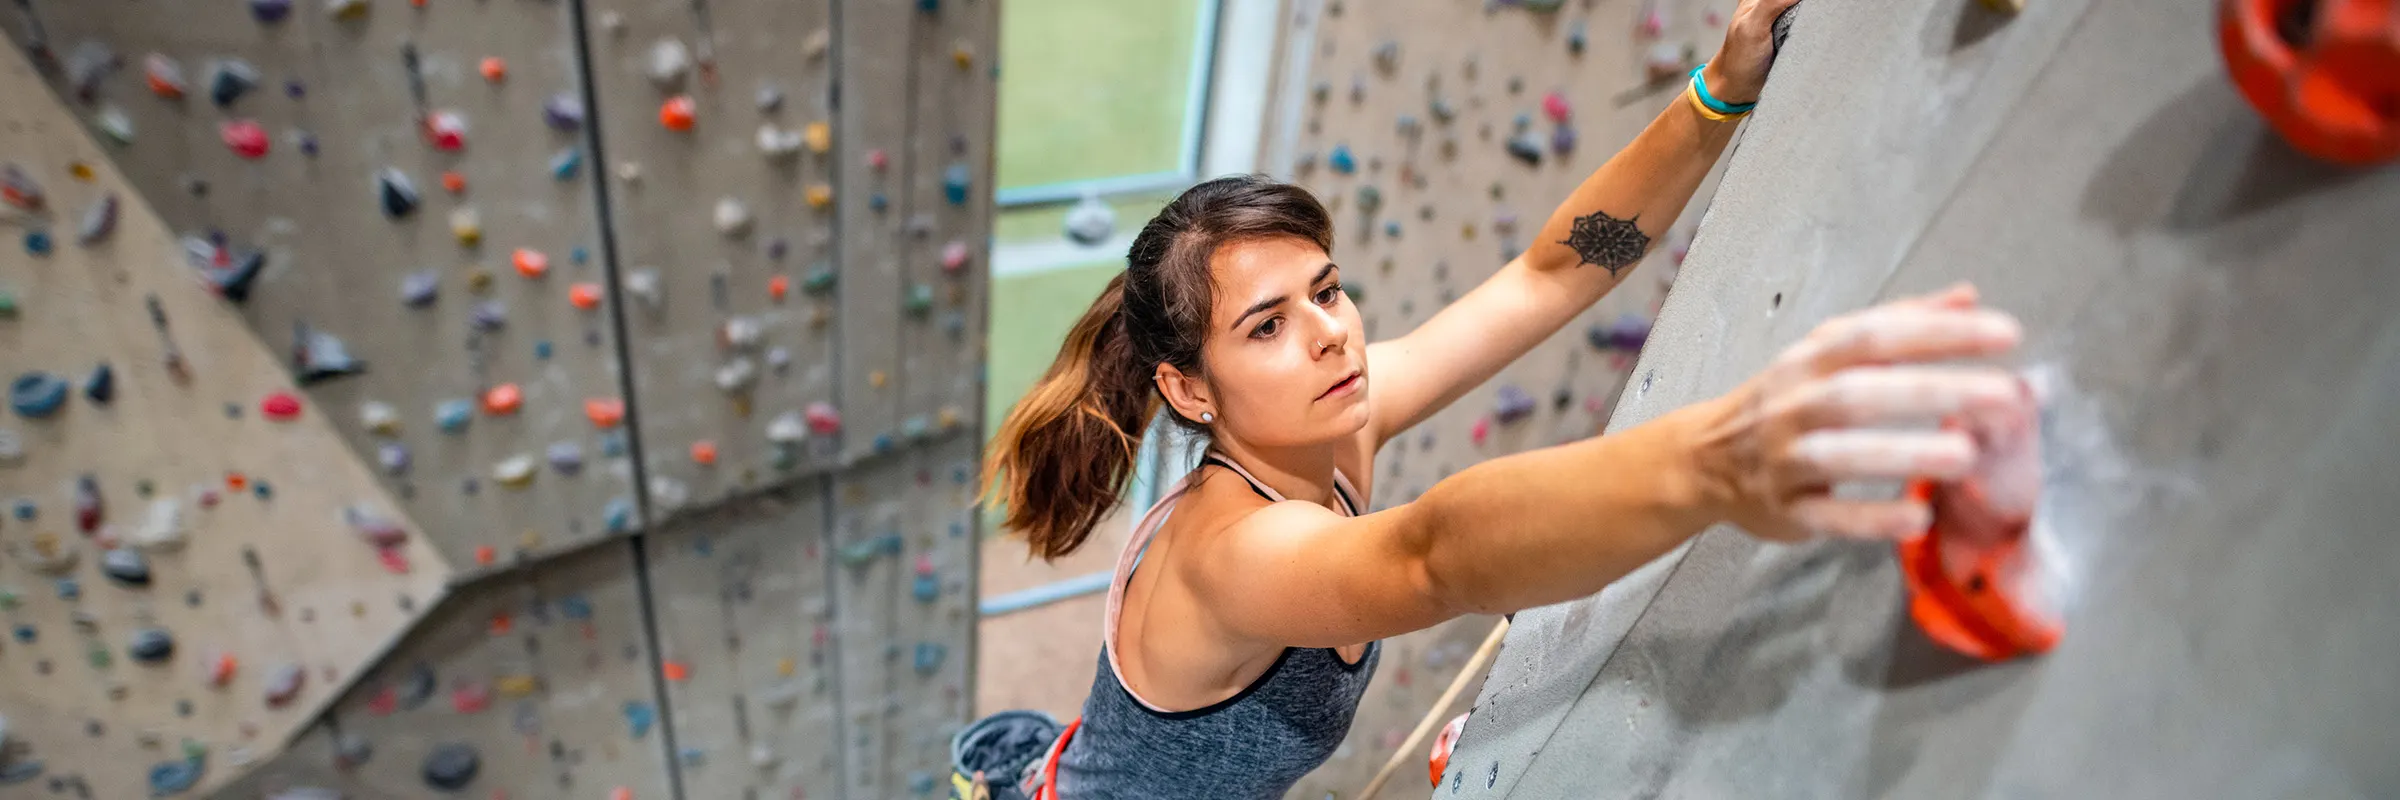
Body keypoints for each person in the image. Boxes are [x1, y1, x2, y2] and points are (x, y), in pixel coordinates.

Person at [975, 0, 2035, 796]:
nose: (1331, 331)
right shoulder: (1233, 553)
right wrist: (1712, 464)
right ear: (1187, 388)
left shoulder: (1335, 411)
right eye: (1267, 325)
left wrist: (1719, 92)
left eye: (1327, 289)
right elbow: (1433, 555)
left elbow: (1547, 274)